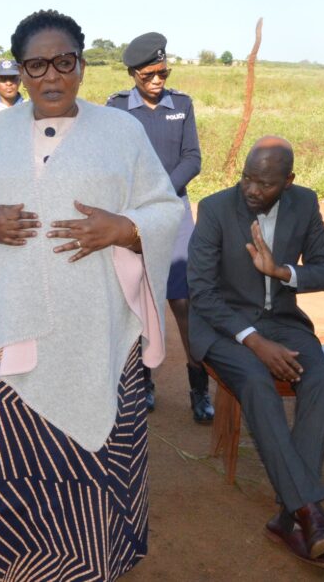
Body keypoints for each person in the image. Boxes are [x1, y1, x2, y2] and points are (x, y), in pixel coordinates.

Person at [0, 9, 183, 581]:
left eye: (64, 62)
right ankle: (5, 563)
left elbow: (165, 207)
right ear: (19, 71)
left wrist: (122, 229)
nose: (51, 76)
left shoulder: (122, 132)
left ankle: (88, 563)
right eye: (36, 64)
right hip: (4, 332)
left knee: (91, 457)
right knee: (7, 457)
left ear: (82, 65)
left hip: (94, 329)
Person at [186, 136, 324, 568]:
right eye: (247, 179)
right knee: (257, 382)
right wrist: (254, 340)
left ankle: (289, 515)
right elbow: (201, 290)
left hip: (283, 322)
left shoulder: (304, 203)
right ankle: (307, 513)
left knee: (320, 378)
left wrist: (283, 271)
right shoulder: (217, 209)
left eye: (266, 184)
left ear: (288, 181)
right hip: (225, 326)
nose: (253, 190)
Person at [106, 32, 211, 420]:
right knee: (138, 299)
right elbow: (111, 161)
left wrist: (160, 192)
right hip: (133, 217)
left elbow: (192, 157)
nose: (156, 80)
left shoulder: (181, 105)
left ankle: (199, 389)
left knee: (185, 304)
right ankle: (143, 383)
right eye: (148, 74)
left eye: (162, 72)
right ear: (134, 73)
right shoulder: (116, 109)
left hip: (175, 213)